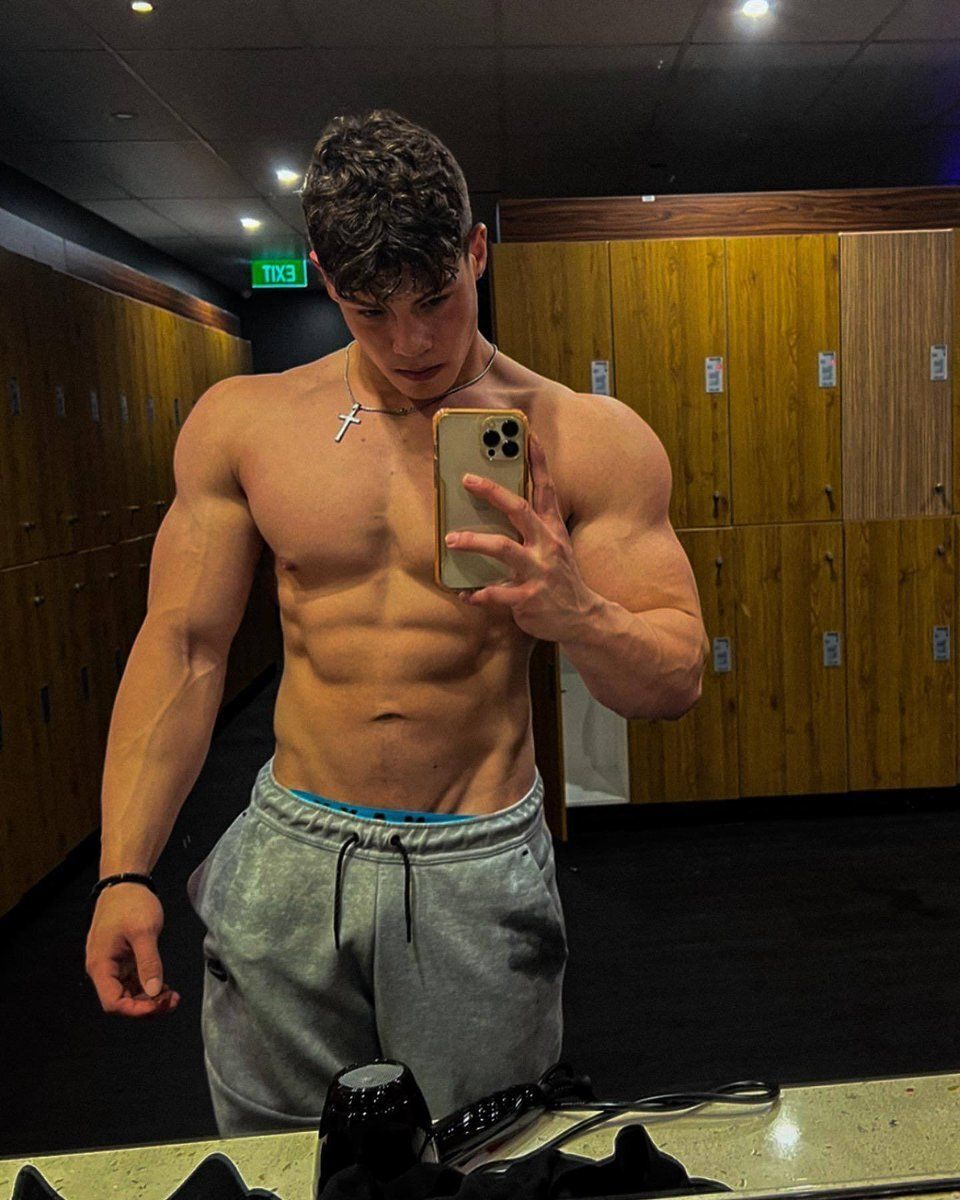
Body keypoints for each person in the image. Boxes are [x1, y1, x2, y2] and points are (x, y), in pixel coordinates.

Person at [84, 109, 710, 1135]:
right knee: (281, 1168)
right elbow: (185, 649)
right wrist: (123, 869)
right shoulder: (245, 424)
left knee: (483, 1160)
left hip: (474, 858)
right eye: (372, 309)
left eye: (436, 298)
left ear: (477, 253)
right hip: (291, 848)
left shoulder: (586, 437)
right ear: (325, 280)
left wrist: (579, 613)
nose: (412, 341)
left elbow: (673, 680)